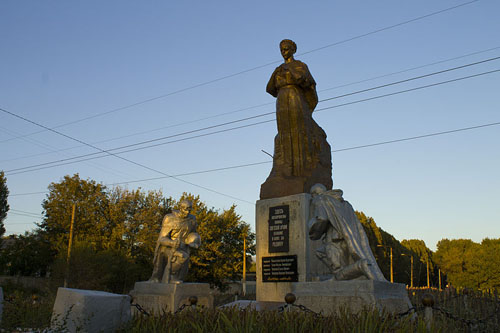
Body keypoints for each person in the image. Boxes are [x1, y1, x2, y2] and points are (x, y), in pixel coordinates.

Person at [261, 39, 332, 199]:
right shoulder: (278, 69)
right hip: (281, 99)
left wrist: (293, 76)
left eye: (287, 48)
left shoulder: (300, 65)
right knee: (283, 133)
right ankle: (285, 169)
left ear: (293, 50)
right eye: (281, 49)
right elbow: (270, 87)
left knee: (298, 131)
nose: (284, 51)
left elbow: (309, 83)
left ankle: (300, 170)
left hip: (295, 97)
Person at [308, 184, 386, 281]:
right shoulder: (345, 203)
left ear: (315, 194)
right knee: (320, 252)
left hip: (333, 240)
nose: (312, 199)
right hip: (345, 240)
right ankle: (341, 276)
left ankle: (361, 265)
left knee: (337, 268)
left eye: (312, 196)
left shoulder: (320, 199)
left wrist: (313, 232)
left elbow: (322, 219)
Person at [149, 199, 201, 284]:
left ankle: (176, 277)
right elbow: (162, 239)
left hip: (183, 247)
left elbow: (193, 234)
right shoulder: (170, 218)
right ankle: (171, 276)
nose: (187, 212)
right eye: (185, 209)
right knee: (181, 256)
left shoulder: (192, 220)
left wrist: (195, 242)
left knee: (185, 257)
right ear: (180, 208)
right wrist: (172, 243)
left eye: (189, 209)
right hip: (167, 247)